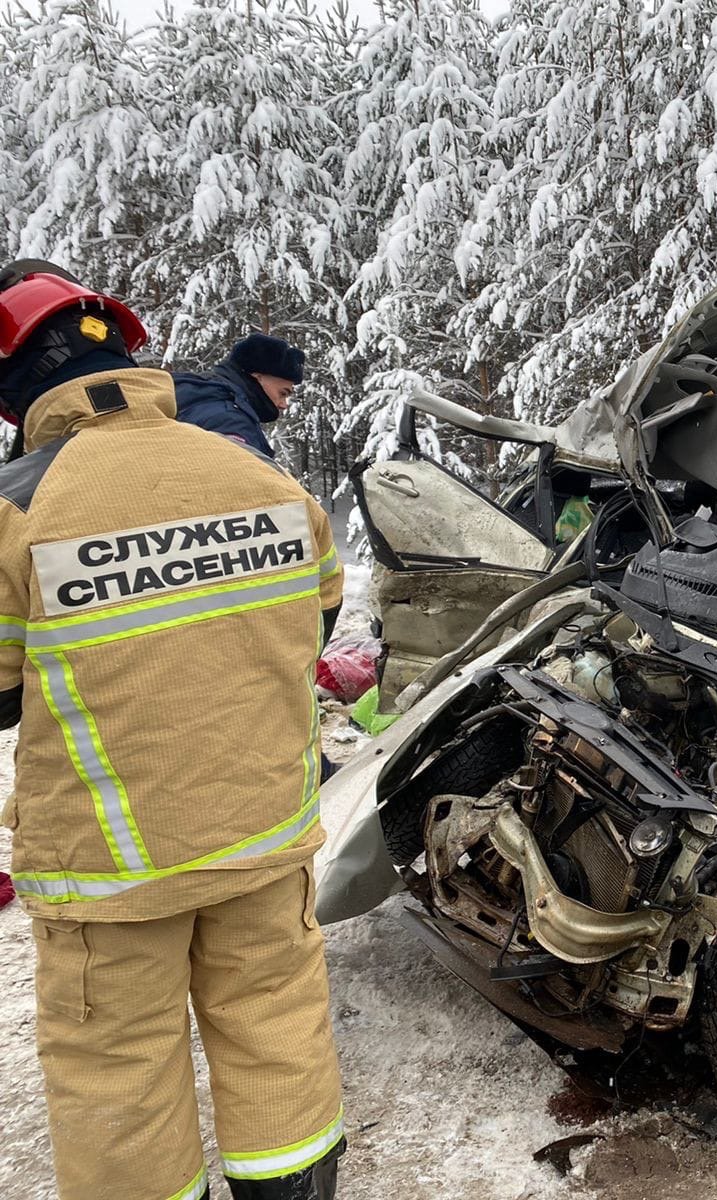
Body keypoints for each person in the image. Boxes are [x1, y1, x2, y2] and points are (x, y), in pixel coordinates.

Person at [0, 261, 346, 1200]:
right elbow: (316, 615)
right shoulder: (257, 474)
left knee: (120, 1071)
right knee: (276, 1031)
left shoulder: (16, 511)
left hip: (111, 868)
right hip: (263, 836)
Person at [175, 332, 305, 459]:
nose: (284, 405)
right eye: (282, 393)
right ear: (257, 377)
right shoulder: (230, 421)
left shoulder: (201, 396)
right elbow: (237, 478)